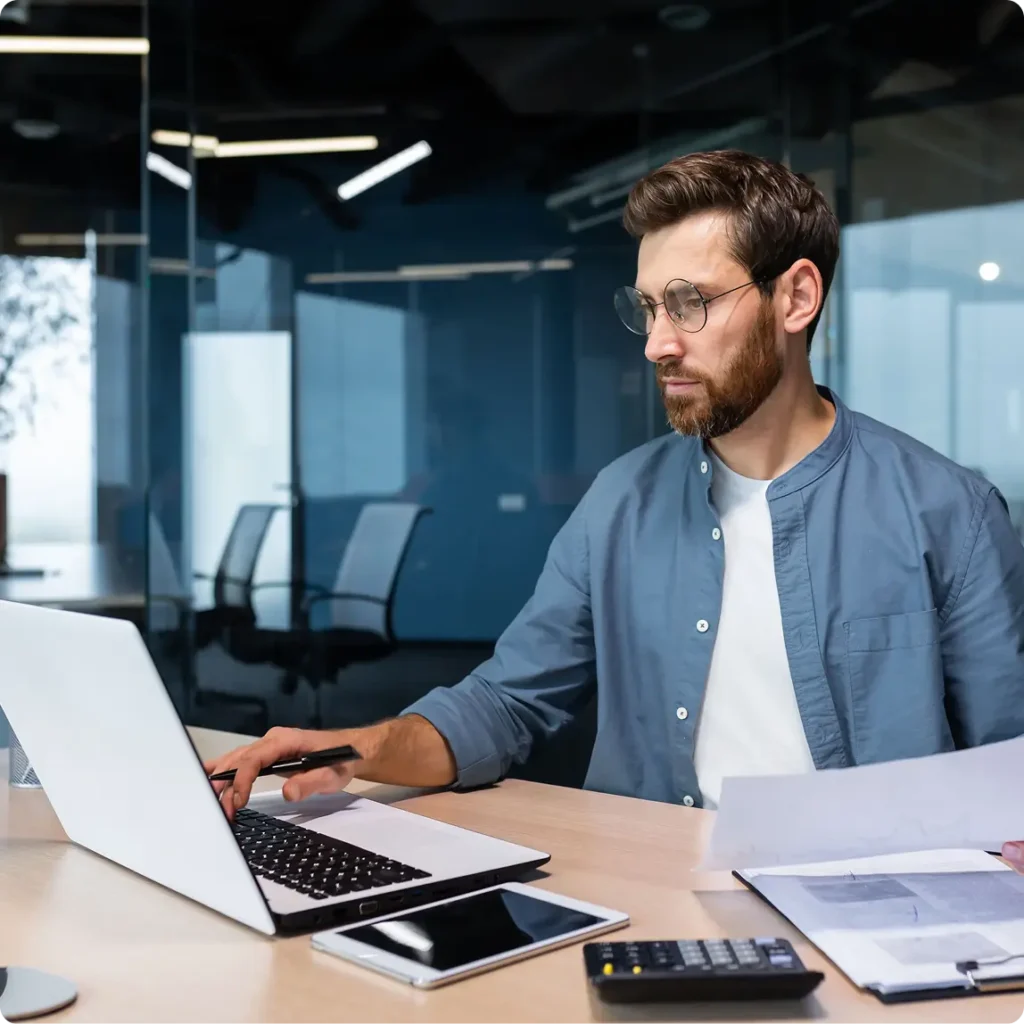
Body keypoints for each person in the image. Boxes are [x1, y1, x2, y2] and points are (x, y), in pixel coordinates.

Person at [206, 149, 1024, 864]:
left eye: (690, 303)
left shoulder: (948, 512)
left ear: (796, 298)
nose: (657, 342)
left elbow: (1006, 777)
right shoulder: (620, 502)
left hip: (871, 905)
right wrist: (359, 746)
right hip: (649, 883)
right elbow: (508, 703)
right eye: (648, 307)